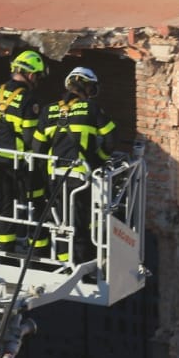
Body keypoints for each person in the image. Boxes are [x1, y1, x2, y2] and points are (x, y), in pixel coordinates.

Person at [34, 66, 119, 265]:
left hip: (54, 178)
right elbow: (111, 139)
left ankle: (64, 263)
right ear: (87, 87)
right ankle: (81, 265)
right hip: (81, 178)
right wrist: (98, 159)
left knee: (61, 221)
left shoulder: (48, 110)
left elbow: (37, 146)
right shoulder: (92, 108)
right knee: (81, 223)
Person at [0, 49, 49, 251]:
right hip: (23, 163)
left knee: (4, 204)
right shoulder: (29, 99)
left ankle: (6, 247)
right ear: (30, 74)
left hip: (0, 159)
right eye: (37, 76)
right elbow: (30, 137)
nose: (37, 81)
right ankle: (38, 248)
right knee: (36, 202)